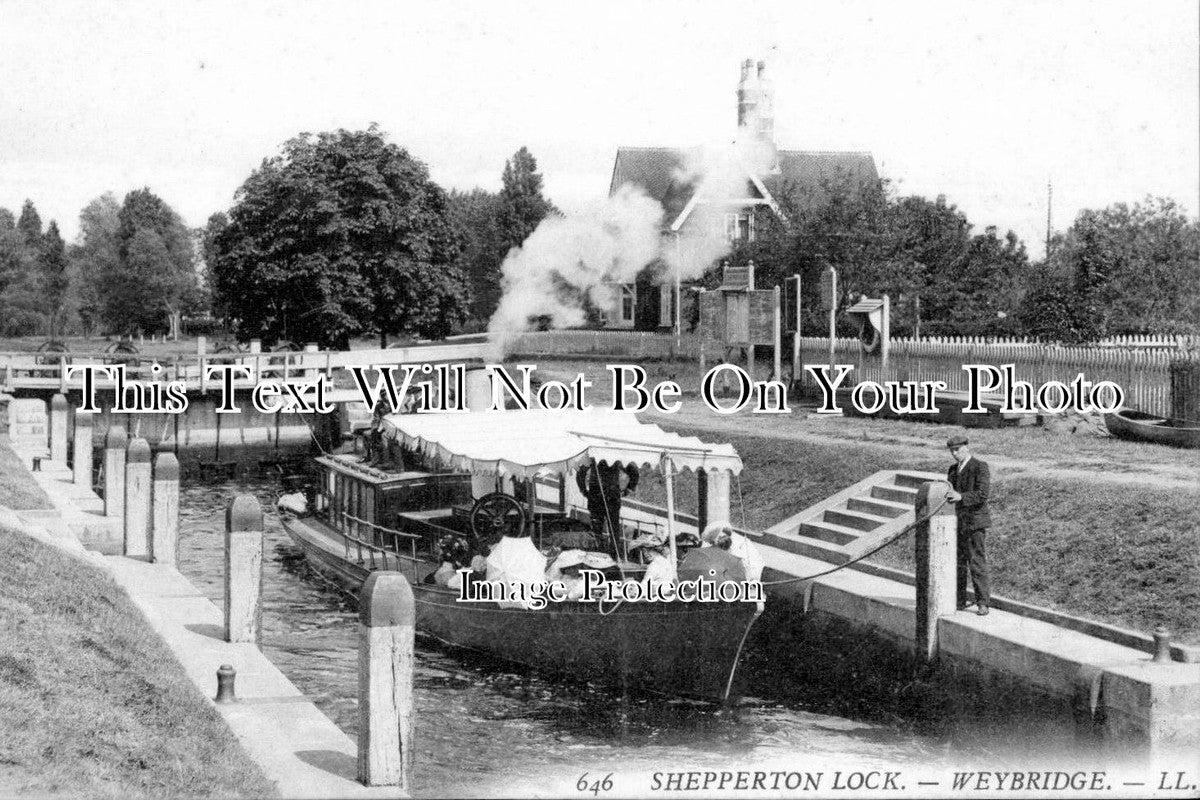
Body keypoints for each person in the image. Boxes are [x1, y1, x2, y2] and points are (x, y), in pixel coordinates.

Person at [946, 433, 992, 616]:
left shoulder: (980, 466)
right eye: (952, 451)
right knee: (958, 563)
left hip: (974, 523)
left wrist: (961, 497)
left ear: (966, 447)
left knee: (976, 562)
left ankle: (983, 603)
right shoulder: (952, 469)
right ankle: (959, 599)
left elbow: (982, 494)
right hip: (958, 523)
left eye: (957, 450)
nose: (954, 454)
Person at [575, 458, 640, 545]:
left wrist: (629, 489)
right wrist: (583, 490)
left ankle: (612, 553)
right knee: (598, 531)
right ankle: (600, 551)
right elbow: (581, 471)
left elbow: (633, 469)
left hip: (610, 500)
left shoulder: (614, 457)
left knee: (611, 531)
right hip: (598, 499)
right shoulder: (593, 457)